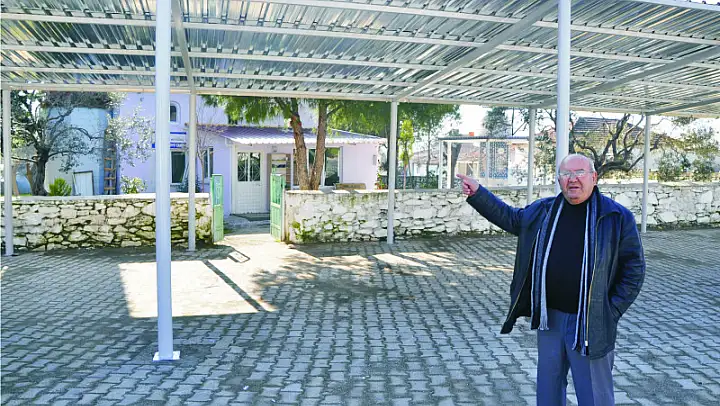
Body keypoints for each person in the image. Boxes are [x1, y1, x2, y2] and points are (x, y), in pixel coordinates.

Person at [457, 154, 645, 406]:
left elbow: (634, 269)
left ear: (594, 177)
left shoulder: (616, 217)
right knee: (549, 389)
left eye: (579, 173)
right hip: (550, 319)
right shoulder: (544, 211)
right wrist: (478, 193)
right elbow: (511, 218)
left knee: (594, 394)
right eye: (566, 174)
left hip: (590, 321)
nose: (573, 179)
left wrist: (610, 310)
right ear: (559, 180)